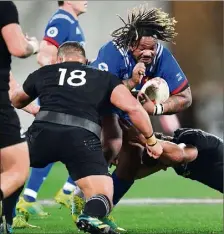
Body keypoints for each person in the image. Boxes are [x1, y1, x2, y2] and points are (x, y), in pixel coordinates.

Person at [11, 41, 162, 234]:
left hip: (42, 133)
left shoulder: (46, 72)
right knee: (104, 192)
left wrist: (32, 106)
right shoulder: (103, 77)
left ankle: (6, 217)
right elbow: (133, 108)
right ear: (86, 61)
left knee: (9, 168)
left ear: (59, 60)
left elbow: (17, 100)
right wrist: (151, 141)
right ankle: (90, 216)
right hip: (82, 137)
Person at [91, 4, 192, 208]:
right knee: (112, 142)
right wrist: (131, 83)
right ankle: (74, 192)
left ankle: (99, 210)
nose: (148, 52)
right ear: (130, 45)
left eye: (152, 48)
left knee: (133, 160)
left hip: (132, 113)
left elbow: (185, 96)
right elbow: (98, 93)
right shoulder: (112, 53)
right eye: (142, 48)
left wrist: (157, 109)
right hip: (99, 107)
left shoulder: (161, 56)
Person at [16, 0, 88, 222]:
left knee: (52, 143)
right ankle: (65, 192)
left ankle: (28, 199)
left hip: (67, 95)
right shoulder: (61, 20)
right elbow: (43, 56)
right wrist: (60, 85)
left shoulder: (71, 21)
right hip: (61, 96)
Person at [0, 1, 39, 233]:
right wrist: (31, 44)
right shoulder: (4, 7)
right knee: (17, 169)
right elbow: (18, 48)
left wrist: (34, 110)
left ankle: (6, 221)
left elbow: (13, 89)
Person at [118, 120, 223, 194]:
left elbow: (180, 154)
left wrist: (145, 140)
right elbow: (135, 174)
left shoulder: (189, 140)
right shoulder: (167, 160)